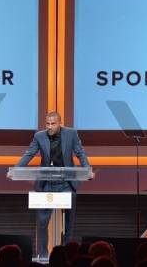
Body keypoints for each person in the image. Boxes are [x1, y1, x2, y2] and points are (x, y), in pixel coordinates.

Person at [16, 111, 90, 259]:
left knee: (69, 222)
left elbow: (80, 152)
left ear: (59, 123)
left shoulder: (71, 133)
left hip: (66, 183)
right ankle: (43, 256)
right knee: (42, 221)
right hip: (47, 183)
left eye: (53, 124)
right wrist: (16, 169)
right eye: (47, 124)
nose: (50, 127)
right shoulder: (39, 136)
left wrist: (87, 170)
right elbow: (29, 154)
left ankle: (68, 255)